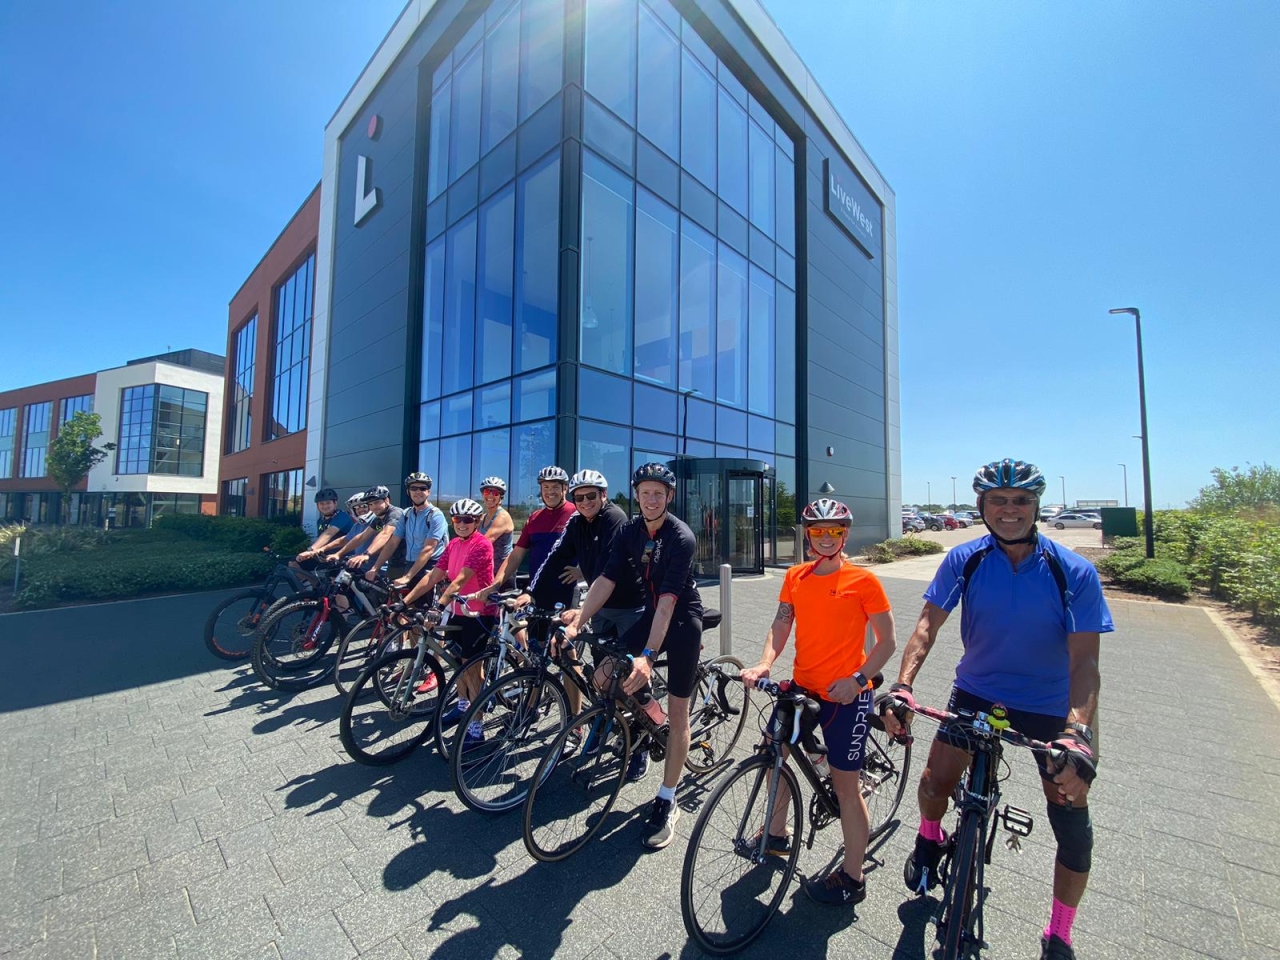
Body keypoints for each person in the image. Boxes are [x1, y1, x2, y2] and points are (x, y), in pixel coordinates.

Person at [882, 459, 1111, 960]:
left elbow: (1086, 662)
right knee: (933, 783)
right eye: (998, 501)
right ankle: (928, 840)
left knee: (1072, 821)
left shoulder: (1071, 571)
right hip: (978, 693)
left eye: (1021, 501)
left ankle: (1060, 933)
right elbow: (926, 626)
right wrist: (902, 687)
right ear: (982, 506)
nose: (1010, 511)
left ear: (1036, 506)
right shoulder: (964, 559)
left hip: (1049, 707)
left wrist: (1078, 732)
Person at [740, 498, 896, 907]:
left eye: (834, 531)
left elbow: (887, 643)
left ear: (845, 535)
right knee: (775, 752)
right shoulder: (795, 576)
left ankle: (852, 877)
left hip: (847, 695)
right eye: (818, 531)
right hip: (804, 686)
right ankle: (775, 834)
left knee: (847, 787)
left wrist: (859, 679)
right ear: (807, 535)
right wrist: (764, 663)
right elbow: (781, 623)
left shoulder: (864, 581)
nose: (826, 538)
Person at [565, 462, 703, 850]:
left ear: (669, 497)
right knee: (603, 678)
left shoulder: (681, 537)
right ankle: (646, 720)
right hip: (651, 613)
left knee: (679, 714)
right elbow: (605, 580)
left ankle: (668, 798)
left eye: (659, 493)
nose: (652, 499)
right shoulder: (628, 531)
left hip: (681, 618)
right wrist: (579, 622)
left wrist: (646, 655)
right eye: (645, 493)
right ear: (637, 496)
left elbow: (669, 602)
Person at [522, 469, 646, 750]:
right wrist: (531, 593)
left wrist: (581, 613)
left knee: (633, 679)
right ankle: (607, 719)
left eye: (592, 495)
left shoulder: (615, 519)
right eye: (579, 497)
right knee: (603, 677)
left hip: (630, 607)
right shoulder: (577, 522)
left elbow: (607, 571)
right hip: (602, 607)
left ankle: (640, 741)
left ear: (604, 495)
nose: (585, 501)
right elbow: (556, 556)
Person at [402, 498, 496, 742]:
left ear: (477, 522)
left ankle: (477, 730)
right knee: (456, 662)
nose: (462, 524)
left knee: (472, 668)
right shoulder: (453, 544)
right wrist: (404, 601)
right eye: (457, 520)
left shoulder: (482, 545)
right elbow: (432, 577)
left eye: (468, 520)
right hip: (457, 610)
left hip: (478, 613)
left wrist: (438, 605)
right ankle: (463, 706)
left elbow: (460, 581)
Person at [484, 465, 576, 611]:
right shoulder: (534, 518)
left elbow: (595, 548)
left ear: (565, 488)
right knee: (532, 632)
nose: (550, 491)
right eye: (545, 487)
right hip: (536, 590)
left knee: (561, 633)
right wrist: (495, 585)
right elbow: (516, 556)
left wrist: (582, 571)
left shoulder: (576, 514)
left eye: (555, 487)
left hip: (567, 591)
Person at [392, 472, 448, 589]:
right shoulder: (406, 513)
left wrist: (408, 576)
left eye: (423, 488)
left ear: (428, 492)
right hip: (410, 564)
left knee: (423, 605)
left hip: (431, 565)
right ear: (408, 492)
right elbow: (393, 542)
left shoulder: (435, 515)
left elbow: (428, 549)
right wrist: (375, 567)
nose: (418, 491)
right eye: (413, 488)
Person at [345, 485, 406, 582]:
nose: (373, 507)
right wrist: (338, 554)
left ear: (387, 500)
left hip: (405, 564)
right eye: (370, 504)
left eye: (377, 502)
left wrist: (366, 554)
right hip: (394, 562)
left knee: (395, 594)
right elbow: (362, 537)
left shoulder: (395, 513)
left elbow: (385, 534)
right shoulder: (378, 519)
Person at [295, 487, 353, 570]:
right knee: (294, 563)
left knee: (332, 580)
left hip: (343, 557)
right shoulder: (320, 521)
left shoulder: (342, 516)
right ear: (317, 505)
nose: (325, 506)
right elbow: (321, 540)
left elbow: (328, 534)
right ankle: (315, 583)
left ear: (335, 503)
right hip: (326, 556)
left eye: (328, 503)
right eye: (321, 503)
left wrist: (311, 550)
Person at [478, 477, 515, 579]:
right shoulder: (483, 517)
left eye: (495, 493)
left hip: (502, 573)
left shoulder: (502, 517)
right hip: (487, 570)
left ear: (501, 497)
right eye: (486, 492)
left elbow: (483, 543)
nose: (490, 495)